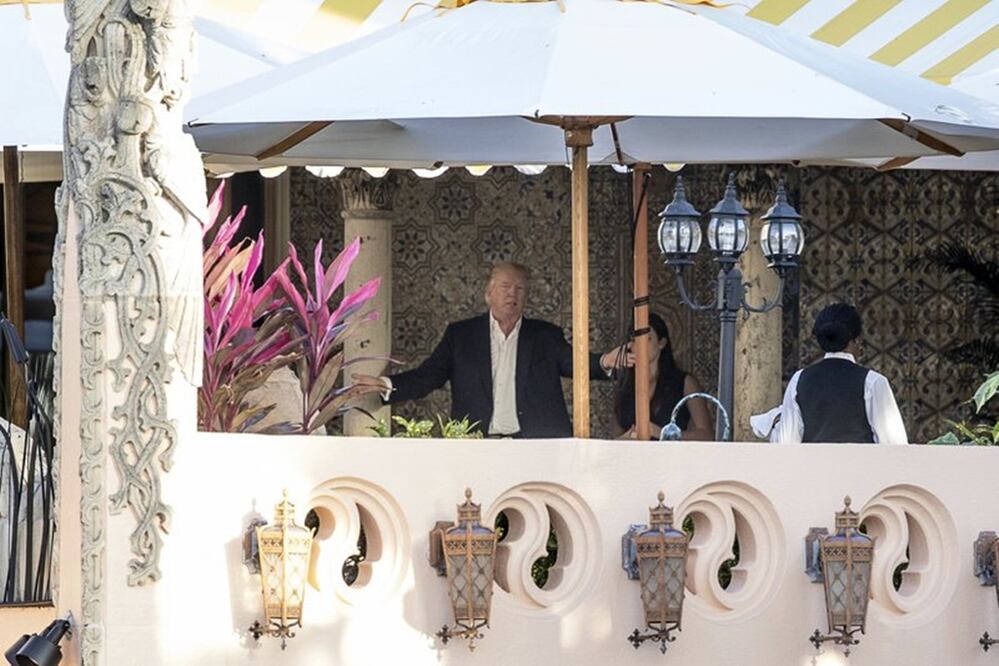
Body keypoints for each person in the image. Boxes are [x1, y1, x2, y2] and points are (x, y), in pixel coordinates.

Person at [352, 262, 629, 438]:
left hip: (536, 443)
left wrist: (605, 360)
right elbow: (430, 376)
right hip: (478, 442)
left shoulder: (544, 336)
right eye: (506, 287)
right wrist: (386, 384)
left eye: (520, 289)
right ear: (489, 293)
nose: (513, 294)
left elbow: (574, 364)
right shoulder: (461, 336)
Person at [777, 302, 908, 445]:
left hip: (813, 467)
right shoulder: (873, 382)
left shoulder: (799, 380)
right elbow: (895, 446)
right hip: (861, 466)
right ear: (857, 341)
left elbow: (786, 443)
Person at [612, 313, 713, 440]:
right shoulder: (623, 386)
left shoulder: (684, 383)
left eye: (647, 339)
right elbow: (614, 440)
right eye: (634, 340)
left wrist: (663, 433)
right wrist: (628, 437)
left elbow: (706, 435)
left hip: (672, 457)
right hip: (632, 457)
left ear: (661, 343)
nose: (640, 345)